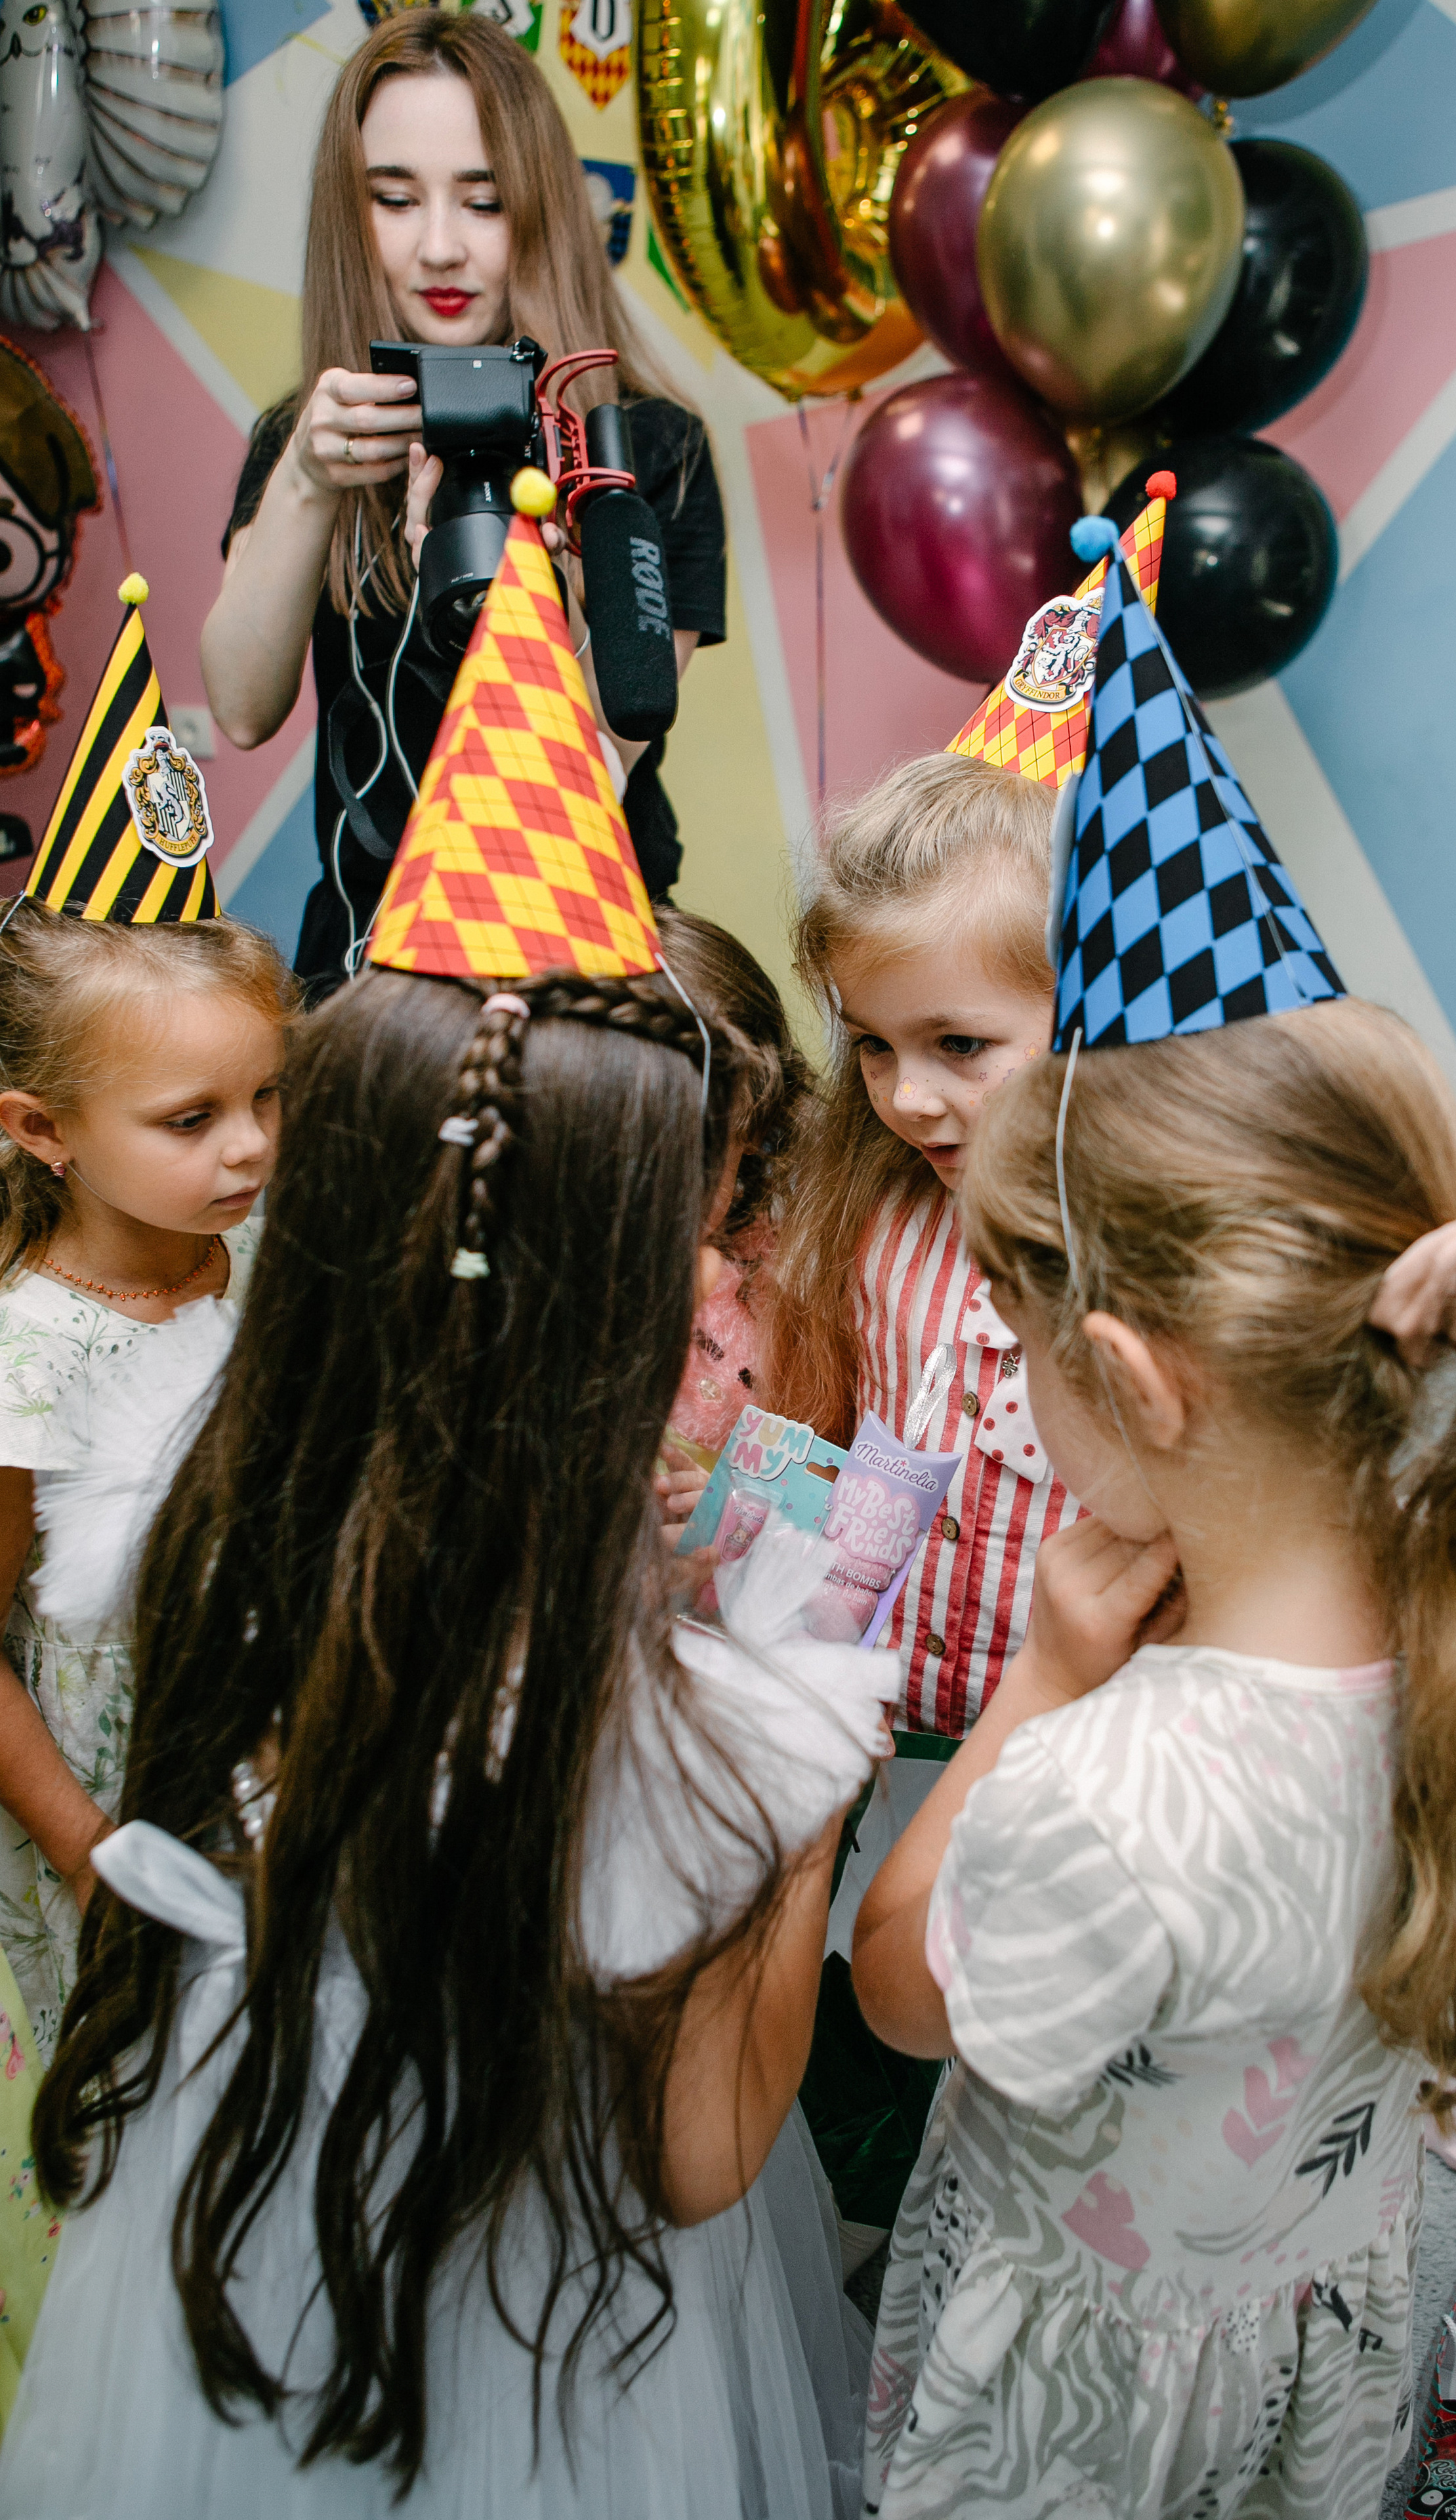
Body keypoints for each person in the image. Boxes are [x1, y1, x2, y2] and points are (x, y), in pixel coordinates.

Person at [2, 499, 892, 2509]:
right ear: (587, 1305)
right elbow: (696, 2155)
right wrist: (804, 1764)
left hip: (252, 2236)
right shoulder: (640, 1731)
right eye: (694, 1235)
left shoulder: (234, 1472)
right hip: (535, 2332)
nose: (725, 1286)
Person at [852, 999, 1456, 2519]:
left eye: (1011, 1334)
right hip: (1307, 2304)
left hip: (1086, 2416)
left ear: (1127, 1377)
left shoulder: (1097, 1798)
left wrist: (1041, 1682)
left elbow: (901, 1993)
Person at [203, 8, 726, 992]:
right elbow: (238, 707)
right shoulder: (308, 439)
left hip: (588, 969)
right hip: (364, 970)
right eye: (395, 200)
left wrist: (539, 565)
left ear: (540, 211)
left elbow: (598, 763)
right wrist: (311, 480)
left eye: (483, 203)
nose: (440, 247)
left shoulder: (649, 450)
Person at [0, 902, 291, 2064]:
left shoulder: (281, 1256)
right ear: (43, 1127)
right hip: (139, 1833)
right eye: (192, 1119)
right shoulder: (24, 1365)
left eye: (267, 1095)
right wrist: (92, 1855)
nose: (253, 1145)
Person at [764, 752, 1080, 1745]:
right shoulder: (876, 1219)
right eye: (872, 1045)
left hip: (1069, 1744)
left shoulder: (1155, 1260)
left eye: (960, 1046)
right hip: (884, 1720)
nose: (906, 1098)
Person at [656, 905, 816, 1465]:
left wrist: (729, 1508)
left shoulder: (787, 1278)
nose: (654, 1197)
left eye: (692, 1154)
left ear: (754, 1124)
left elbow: (817, 1463)